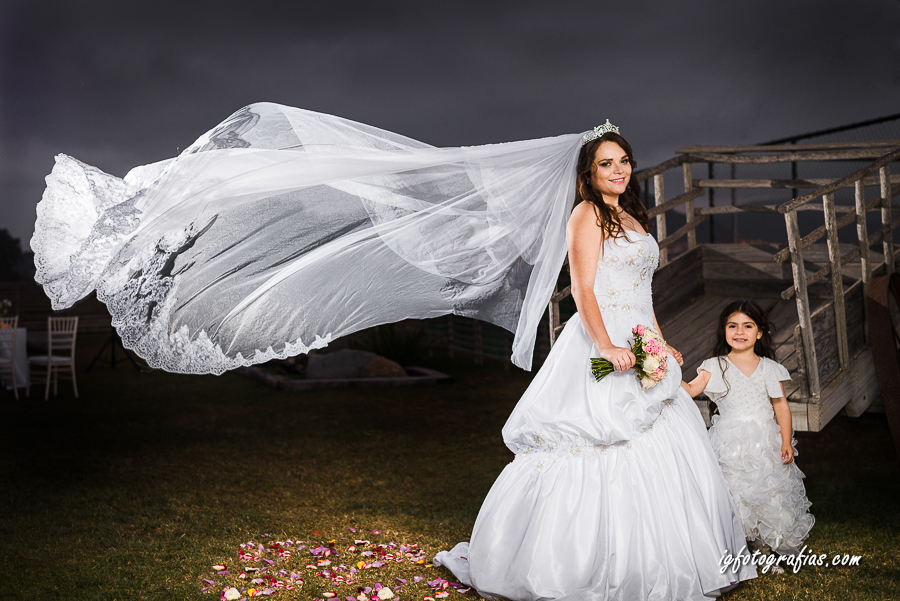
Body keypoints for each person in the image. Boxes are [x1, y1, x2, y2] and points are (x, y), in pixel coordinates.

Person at [434, 125, 756, 600]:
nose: (618, 170)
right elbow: (585, 290)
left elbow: (642, 294)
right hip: (603, 342)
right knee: (597, 438)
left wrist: (661, 345)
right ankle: (574, 563)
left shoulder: (630, 216)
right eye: (606, 163)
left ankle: (665, 561)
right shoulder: (585, 214)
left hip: (640, 339)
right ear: (589, 173)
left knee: (665, 438)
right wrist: (606, 346)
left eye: (623, 161)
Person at [682, 300, 814, 558]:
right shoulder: (714, 366)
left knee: (769, 491)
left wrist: (786, 441)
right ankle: (735, 545)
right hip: (729, 443)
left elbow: (781, 407)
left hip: (765, 442)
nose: (739, 332)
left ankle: (768, 546)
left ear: (760, 332)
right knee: (734, 491)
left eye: (747, 326)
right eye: (733, 326)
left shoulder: (769, 368)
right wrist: (664, 369)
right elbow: (690, 390)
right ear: (724, 330)